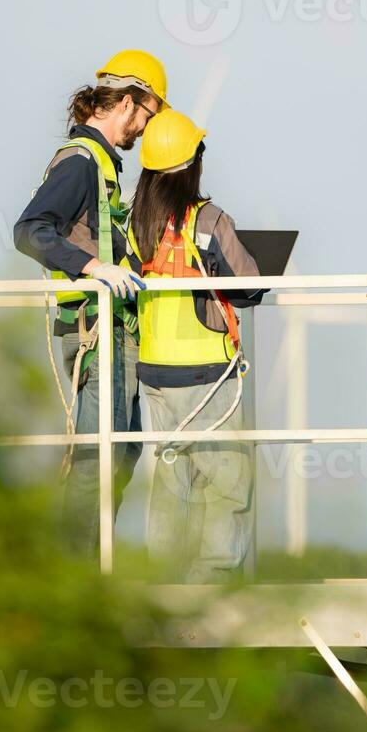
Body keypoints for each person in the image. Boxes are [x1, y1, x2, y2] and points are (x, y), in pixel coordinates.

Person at [13, 49, 166, 557]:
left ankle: (88, 561)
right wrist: (95, 268)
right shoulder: (81, 163)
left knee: (120, 453)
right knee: (98, 459)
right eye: (147, 116)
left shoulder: (100, 164)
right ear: (126, 103)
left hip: (109, 330)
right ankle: (75, 572)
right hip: (93, 332)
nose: (144, 130)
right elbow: (30, 230)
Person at [128, 110, 264, 583]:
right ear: (193, 163)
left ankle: (164, 582)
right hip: (207, 372)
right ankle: (214, 584)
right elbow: (249, 286)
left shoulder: (134, 221)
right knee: (228, 484)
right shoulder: (208, 219)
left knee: (171, 482)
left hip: (156, 373)